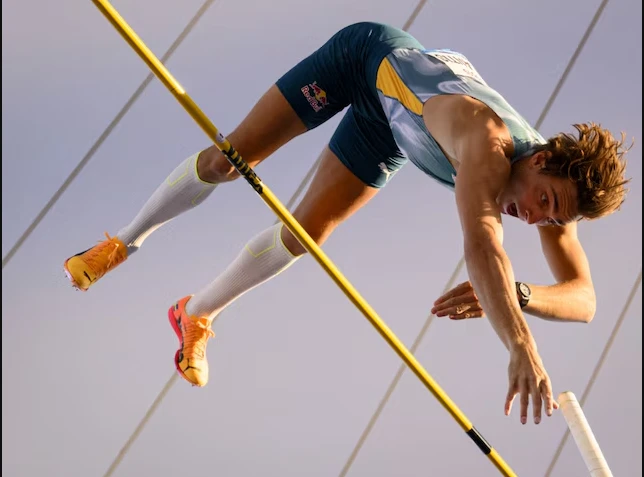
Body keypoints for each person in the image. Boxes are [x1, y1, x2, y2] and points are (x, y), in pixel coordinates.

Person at [63, 22, 629, 426]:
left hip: (390, 130)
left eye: (548, 218)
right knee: (229, 161)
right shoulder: (489, 143)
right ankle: (122, 244)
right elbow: (483, 243)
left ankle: (194, 314)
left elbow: (585, 300)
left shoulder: (554, 196)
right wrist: (520, 346)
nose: (534, 217)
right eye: (543, 201)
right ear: (542, 159)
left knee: (303, 235)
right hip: (364, 62)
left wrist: (521, 294)